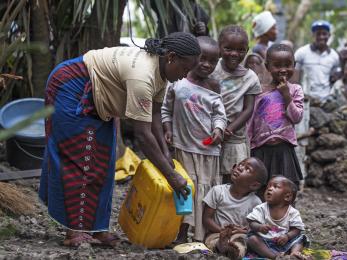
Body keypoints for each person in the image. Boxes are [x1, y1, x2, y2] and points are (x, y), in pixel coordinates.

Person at [39, 32, 201, 247]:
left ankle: (97, 229)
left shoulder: (161, 73)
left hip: (100, 96)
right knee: (80, 158)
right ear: (171, 57)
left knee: (106, 161)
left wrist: (166, 157)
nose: (185, 75)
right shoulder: (142, 76)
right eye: (185, 69)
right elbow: (142, 135)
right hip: (71, 86)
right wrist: (170, 176)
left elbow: (154, 117)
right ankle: (74, 230)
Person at [161, 36, 227, 243]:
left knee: (202, 195)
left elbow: (219, 114)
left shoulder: (214, 86)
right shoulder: (178, 81)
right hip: (183, 148)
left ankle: (200, 235)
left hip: (208, 152)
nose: (206, 65)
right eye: (202, 59)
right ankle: (179, 234)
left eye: (212, 61)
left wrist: (218, 129)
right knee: (186, 190)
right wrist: (168, 128)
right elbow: (165, 109)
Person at [248, 43, 304, 191]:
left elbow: (297, 117)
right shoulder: (259, 91)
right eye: (277, 65)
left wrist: (286, 95)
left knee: (286, 188)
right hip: (261, 148)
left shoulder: (295, 90)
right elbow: (251, 120)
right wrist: (248, 146)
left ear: (294, 65)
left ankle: (286, 214)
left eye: (288, 65)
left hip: (284, 148)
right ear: (267, 66)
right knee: (261, 188)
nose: (283, 69)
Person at [211, 25, 262, 184]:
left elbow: (248, 109)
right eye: (228, 48)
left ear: (247, 50)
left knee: (232, 176)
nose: (234, 54)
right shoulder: (212, 68)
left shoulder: (251, 78)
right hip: (209, 131)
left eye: (240, 50)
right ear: (219, 48)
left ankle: (227, 208)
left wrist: (230, 129)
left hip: (234, 136)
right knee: (209, 175)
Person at [202, 157, 268, 259]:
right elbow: (206, 219)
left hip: (239, 236)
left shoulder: (255, 202)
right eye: (241, 164)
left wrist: (242, 231)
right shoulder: (218, 191)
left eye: (247, 169)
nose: (240, 168)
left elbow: (254, 228)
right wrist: (222, 232)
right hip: (216, 233)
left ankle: (232, 251)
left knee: (241, 244)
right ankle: (221, 246)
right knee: (212, 242)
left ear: (254, 185)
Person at [247, 176, 307, 259]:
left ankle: (294, 254)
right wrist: (259, 227)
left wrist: (287, 236)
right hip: (265, 241)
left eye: (275, 186)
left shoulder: (292, 212)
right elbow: (251, 222)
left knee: (300, 238)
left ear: (287, 196)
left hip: (285, 242)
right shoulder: (261, 208)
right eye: (268, 187)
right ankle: (275, 257)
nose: (270, 189)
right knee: (252, 239)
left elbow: (297, 229)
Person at [294, 20, 340, 102]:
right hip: (306, 100)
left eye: (324, 34)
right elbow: (294, 79)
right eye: (318, 34)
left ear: (329, 35)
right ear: (313, 35)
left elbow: (334, 79)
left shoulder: (334, 56)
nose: (321, 37)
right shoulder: (301, 52)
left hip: (326, 102)